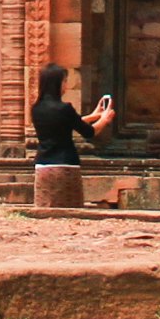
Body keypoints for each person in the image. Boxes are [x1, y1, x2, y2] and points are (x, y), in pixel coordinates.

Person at [30, 63, 115, 211]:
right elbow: (89, 132)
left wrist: (94, 116)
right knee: (69, 210)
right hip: (65, 165)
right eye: (64, 81)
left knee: (45, 210)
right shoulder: (64, 108)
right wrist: (105, 119)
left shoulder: (37, 109)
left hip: (42, 167)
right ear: (57, 84)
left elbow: (63, 123)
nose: (66, 85)